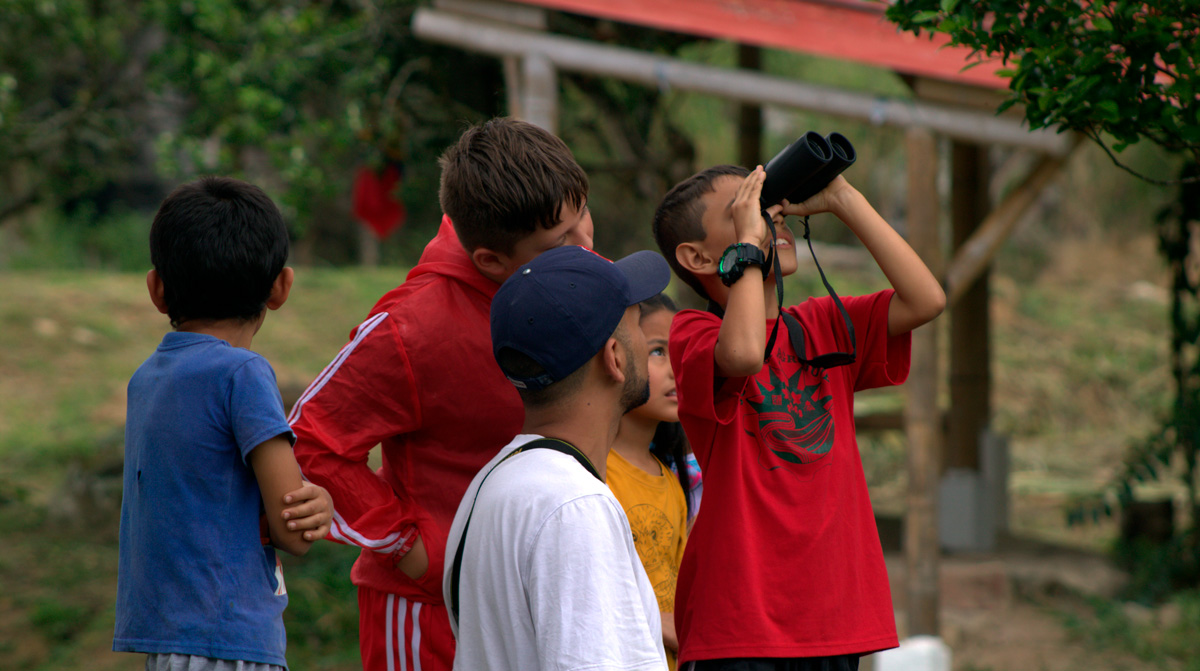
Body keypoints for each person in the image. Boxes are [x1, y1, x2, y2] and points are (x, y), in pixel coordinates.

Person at [287, 118, 593, 670]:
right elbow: (310, 441)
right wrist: (414, 550)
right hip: (429, 619)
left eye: (584, 218)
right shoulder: (413, 328)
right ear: (491, 260)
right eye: (561, 242)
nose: (586, 246)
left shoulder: (580, 278)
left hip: (539, 601)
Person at [652, 165, 946, 670]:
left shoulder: (822, 324)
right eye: (744, 209)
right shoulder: (693, 334)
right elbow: (745, 354)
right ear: (697, 257)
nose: (770, 220)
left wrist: (843, 197)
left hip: (834, 617)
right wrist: (750, 244)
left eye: (768, 207)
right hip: (742, 622)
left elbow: (927, 299)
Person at [114, 176, 333, 670]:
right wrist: (320, 504)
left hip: (167, 641)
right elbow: (293, 528)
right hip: (229, 641)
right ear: (281, 287)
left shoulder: (146, 379)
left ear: (157, 289)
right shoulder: (243, 373)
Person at [443, 244, 671, 671]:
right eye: (638, 324)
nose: (645, 343)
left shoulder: (494, 480)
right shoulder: (575, 507)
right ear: (615, 358)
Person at [606, 293, 698, 670]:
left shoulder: (670, 481)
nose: (678, 368)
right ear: (613, 356)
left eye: (682, 351)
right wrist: (659, 622)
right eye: (658, 351)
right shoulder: (593, 476)